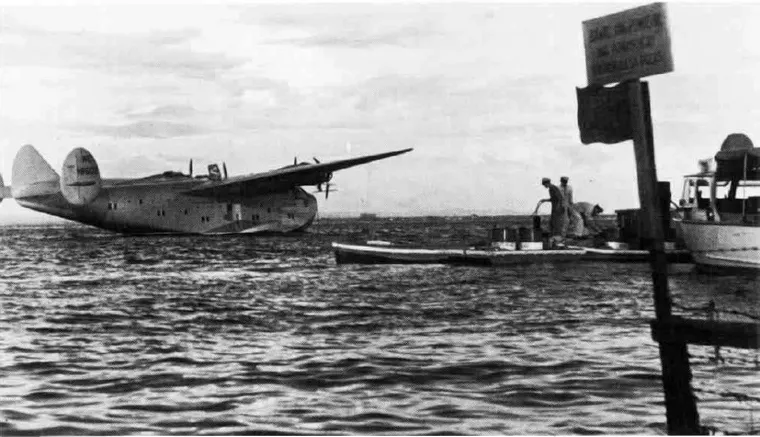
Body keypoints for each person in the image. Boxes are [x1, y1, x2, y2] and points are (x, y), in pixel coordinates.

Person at [534, 177, 566, 244]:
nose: (544, 186)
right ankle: (556, 239)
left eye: (544, 185)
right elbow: (554, 199)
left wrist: (558, 208)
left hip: (557, 209)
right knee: (553, 224)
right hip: (557, 208)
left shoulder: (552, 188)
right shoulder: (553, 188)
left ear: (547, 183)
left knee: (555, 224)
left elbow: (559, 198)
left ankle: (557, 240)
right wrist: (545, 200)